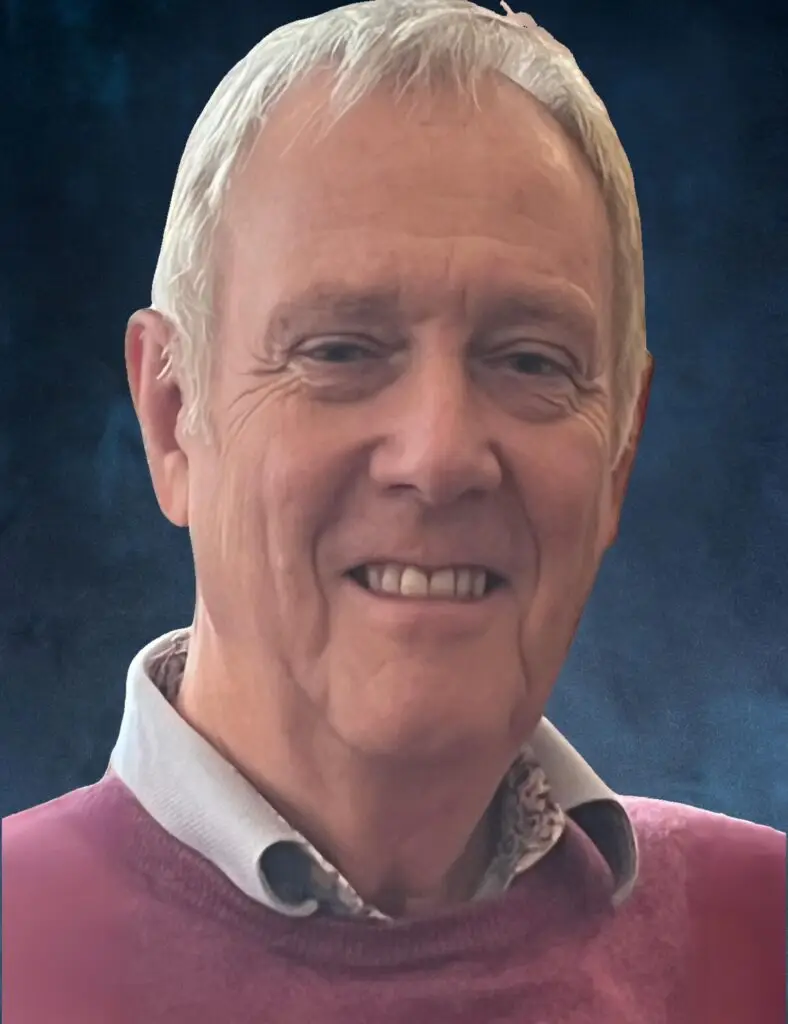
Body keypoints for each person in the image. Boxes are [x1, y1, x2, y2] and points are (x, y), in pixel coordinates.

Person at [3, 2, 784, 1022]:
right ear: (172, 418)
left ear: (618, 455)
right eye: (339, 350)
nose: (440, 456)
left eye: (530, 361)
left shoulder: (761, 940)